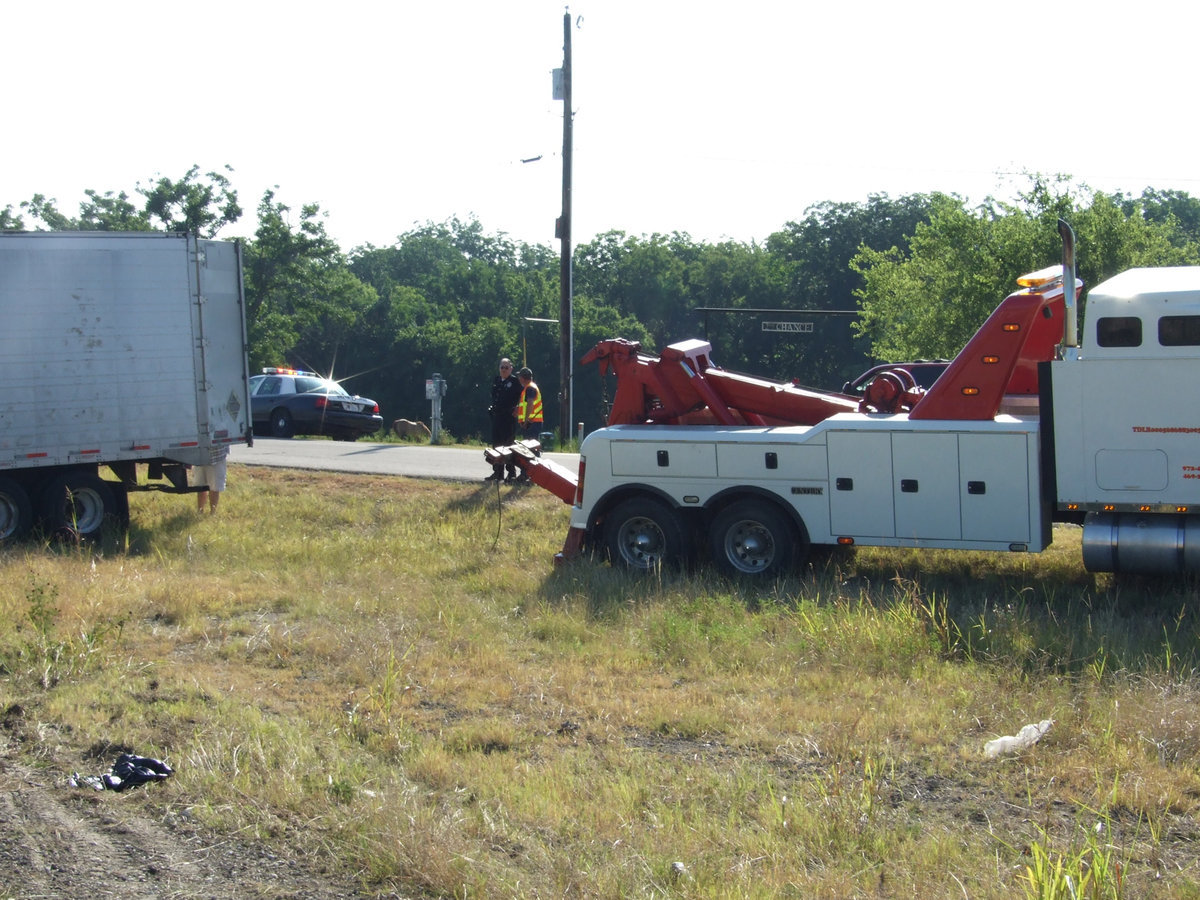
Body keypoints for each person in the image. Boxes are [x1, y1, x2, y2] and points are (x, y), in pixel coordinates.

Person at [486, 357, 523, 482]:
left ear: (511, 368)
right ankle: (497, 472)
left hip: (508, 418)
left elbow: (523, 396)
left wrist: (518, 407)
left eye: (506, 367)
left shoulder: (514, 381)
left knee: (508, 445)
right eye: (502, 367)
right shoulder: (497, 380)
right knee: (496, 445)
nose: (504, 370)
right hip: (497, 417)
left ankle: (511, 473)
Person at [513, 367, 543, 483]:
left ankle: (532, 475)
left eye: (519, 376)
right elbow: (526, 404)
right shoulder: (529, 387)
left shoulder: (530, 388)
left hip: (532, 423)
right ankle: (527, 474)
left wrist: (526, 421)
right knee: (529, 449)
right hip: (533, 422)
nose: (519, 379)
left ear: (522, 378)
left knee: (530, 450)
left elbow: (530, 404)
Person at [196, 444, 230, 513]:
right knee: (200, 485)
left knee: (215, 486)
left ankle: (213, 512)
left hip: (216, 455)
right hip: (199, 455)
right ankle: (200, 510)